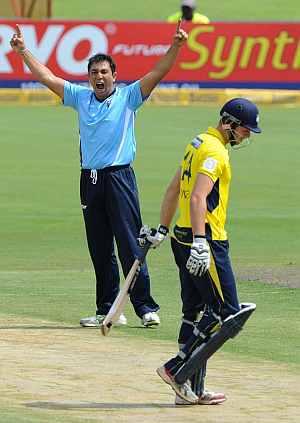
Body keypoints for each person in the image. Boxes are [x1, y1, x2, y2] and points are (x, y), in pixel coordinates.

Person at [10, 22, 188, 328]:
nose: (99, 77)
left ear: (114, 75)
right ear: (89, 78)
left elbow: (157, 74)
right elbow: (46, 77)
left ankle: (145, 307)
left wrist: (175, 47)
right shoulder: (81, 97)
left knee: (130, 244)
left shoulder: (129, 96)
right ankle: (108, 309)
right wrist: (23, 50)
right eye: (94, 73)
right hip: (89, 181)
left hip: (119, 178)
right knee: (100, 247)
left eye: (104, 72)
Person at [139, 98, 261, 404]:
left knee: (195, 312)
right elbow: (197, 198)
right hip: (206, 240)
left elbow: (172, 189)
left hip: (182, 236)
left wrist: (163, 230)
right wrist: (201, 241)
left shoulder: (196, 142)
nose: (247, 136)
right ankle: (176, 368)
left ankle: (189, 389)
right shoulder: (214, 151)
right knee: (228, 314)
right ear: (229, 124)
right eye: (245, 130)